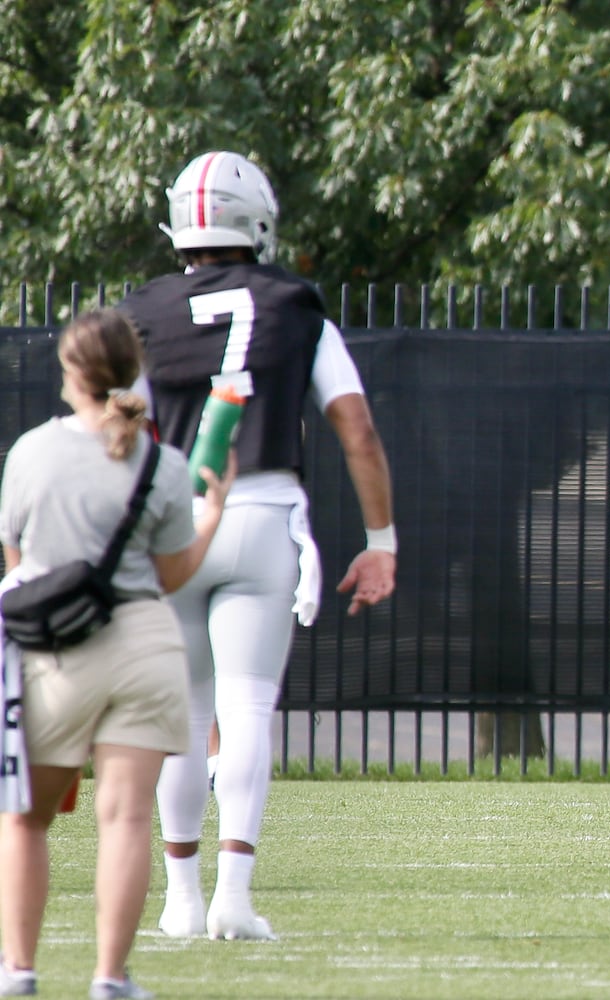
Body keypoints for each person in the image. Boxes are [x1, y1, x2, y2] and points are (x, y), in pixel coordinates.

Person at [118, 151, 398, 941]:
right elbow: (357, 429)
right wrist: (381, 540)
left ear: (181, 223)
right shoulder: (297, 308)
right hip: (264, 514)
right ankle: (233, 900)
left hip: (174, 524)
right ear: (259, 220)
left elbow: (115, 428)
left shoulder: (142, 311)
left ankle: (179, 899)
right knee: (246, 708)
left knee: (184, 711)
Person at [0, 309, 234, 999]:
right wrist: (213, 517)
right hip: (144, 646)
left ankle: (17, 968)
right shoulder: (164, 462)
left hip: (55, 653)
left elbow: (19, 564)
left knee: (25, 816)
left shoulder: (30, 454)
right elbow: (168, 576)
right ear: (135, 370)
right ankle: (109, 977)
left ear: (71, 372)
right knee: (128, 816)